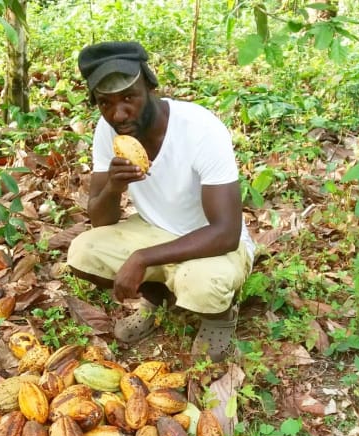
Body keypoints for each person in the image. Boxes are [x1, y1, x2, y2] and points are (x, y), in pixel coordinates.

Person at [67, 41, 255, 362]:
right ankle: (157, 298)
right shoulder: (108, 130)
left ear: (151, 87)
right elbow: (101, 220)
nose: (119, 113)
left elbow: (225, 231)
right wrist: (113, 187)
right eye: (105, 103)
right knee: (83, 252)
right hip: (156, 229)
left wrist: (142, 258)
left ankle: (219, 317)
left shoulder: (199, 128)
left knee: (202, 282)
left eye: (129, 97)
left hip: (214, 241)